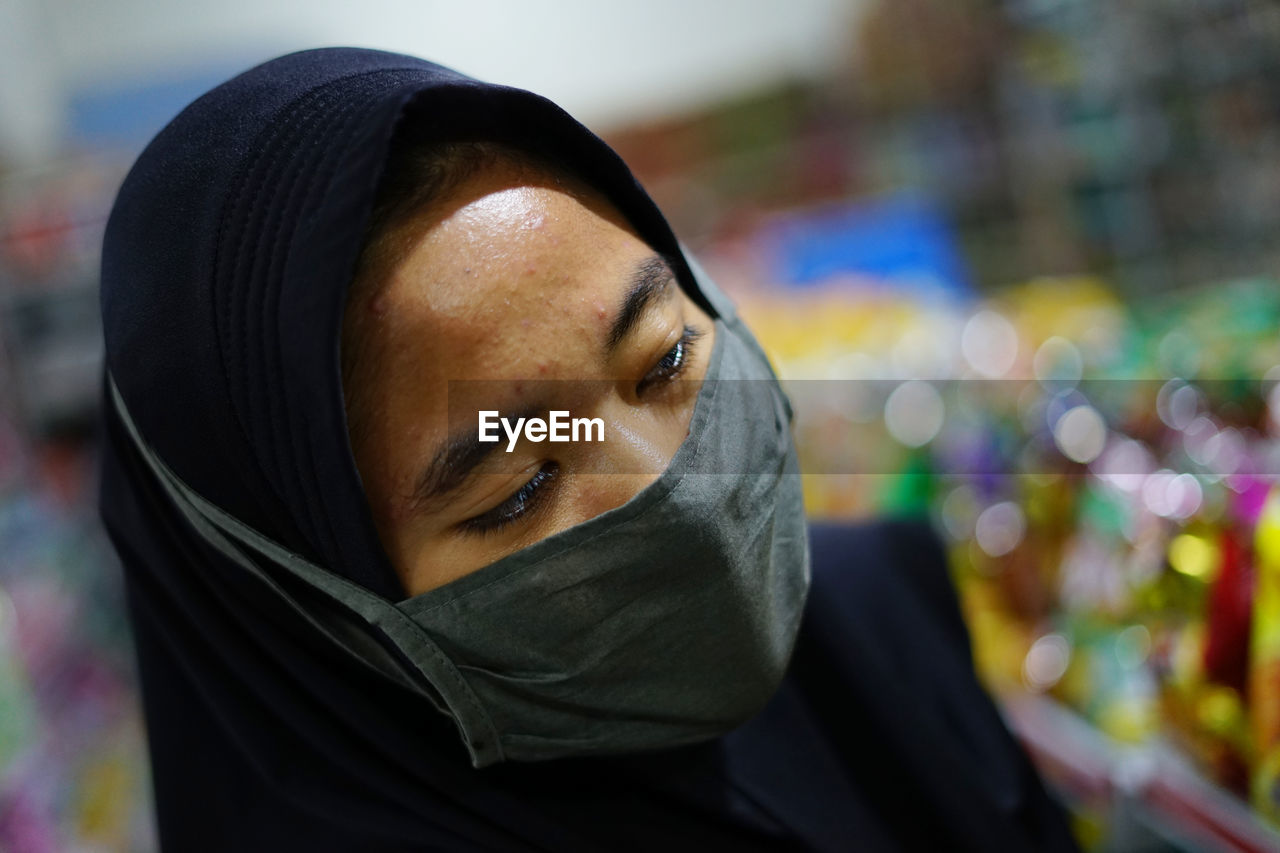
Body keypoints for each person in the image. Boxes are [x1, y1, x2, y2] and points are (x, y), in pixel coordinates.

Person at [98, 47, 1078, 851]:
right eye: (519, 488)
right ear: (314, 611)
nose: (677, 495)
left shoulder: (872, 619)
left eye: (662, 362)